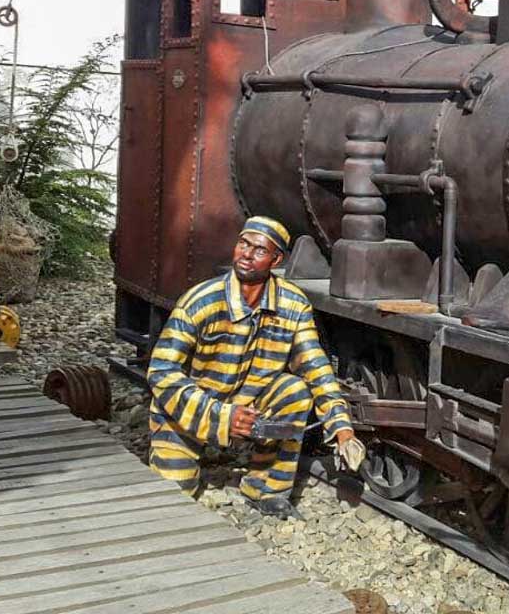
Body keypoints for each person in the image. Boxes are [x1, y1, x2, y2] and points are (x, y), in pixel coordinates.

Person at [146, 215, 357, 519]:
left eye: (259, 250)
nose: (246, 254)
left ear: (276, 259)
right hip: (188, 411)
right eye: (243, 244)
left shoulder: (293, 305)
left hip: (249, 403)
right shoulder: (201, 300)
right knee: (171, 504)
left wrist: (342, 427)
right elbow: (161, 371)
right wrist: (221, 416)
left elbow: (315, 367)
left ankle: (266, 488)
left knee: (295, 391)